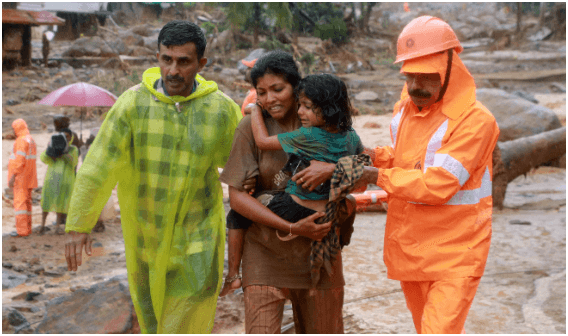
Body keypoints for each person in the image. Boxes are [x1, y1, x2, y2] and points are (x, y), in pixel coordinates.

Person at [63, 20, 243, 334]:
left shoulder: (220, 110)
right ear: (157, 58)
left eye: (184, 62)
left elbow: (244, 168)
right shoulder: (132, 105)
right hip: (145, 236)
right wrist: (79, 222)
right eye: (166, 59)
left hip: (198, 236)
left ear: (201, 63)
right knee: (151, 321)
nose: (173, 71)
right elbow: (98, 165)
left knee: (183, 320)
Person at [351, 16, 500, 333]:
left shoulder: (475, 121)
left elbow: (438, 184)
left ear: (449, 68)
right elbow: (405, 158)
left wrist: (374, 175)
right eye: (409, 76)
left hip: (456, 254)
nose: (416, 86)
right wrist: (372, 155)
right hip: (411, 249)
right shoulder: (404, 107)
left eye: (427, 77)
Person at [219, 51, 355, 334]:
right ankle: (234, 274)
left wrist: (332, 170)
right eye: (262, 92)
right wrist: (290, 226)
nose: (270, 99)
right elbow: (237, 198)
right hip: (265, 250)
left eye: (278, 89)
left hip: (319, 252)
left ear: (297, 86)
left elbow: (363, 176)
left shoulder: (329, 126)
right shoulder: (250, 128)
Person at [39, 129, 78, 235]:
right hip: (51, 179)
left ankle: (57, 227)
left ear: (71, 137)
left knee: (61, 204)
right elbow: (43, 158)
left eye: (68, 136)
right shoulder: (54, 146)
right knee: (46, 202)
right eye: (64, 136)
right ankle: (42, 225)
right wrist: (50, 147)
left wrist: (64, 153)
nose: (66, 138)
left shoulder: (73, 149)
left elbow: (73, 162)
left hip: (65, 181)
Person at [8, 119, 38, 237]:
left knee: (20, 205)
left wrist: (13, 177)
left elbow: (19, 162)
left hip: (21, 178)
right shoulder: (31, 140)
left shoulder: (20, 141)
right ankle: (28, 229)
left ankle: (22, 231)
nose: (12, 131)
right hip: (30, 177)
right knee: (27, 204)